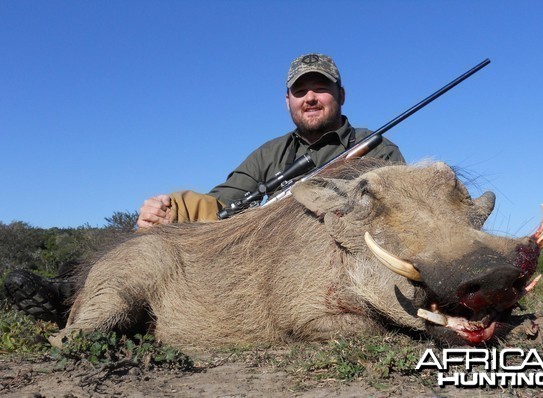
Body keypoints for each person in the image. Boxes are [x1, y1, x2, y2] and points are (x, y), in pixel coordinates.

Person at [3, 53, 405, 325]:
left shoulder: (380, 150)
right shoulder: (270, 153)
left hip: (336, 268)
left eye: (321, 89)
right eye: (301, 91)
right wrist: (170, 208)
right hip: (267, 258)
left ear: (340, 95)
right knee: (167, 256)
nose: (311, 98)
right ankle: (71, 290)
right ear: (287, 101)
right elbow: (223, 202)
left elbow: (404, 223)